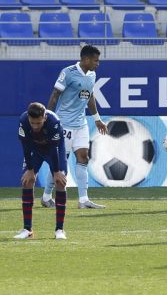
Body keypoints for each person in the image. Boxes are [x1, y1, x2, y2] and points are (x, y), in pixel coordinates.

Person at [42, 45, 108, 209]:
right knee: (60, 164)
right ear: (85, 59)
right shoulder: (68, 72)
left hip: (81, 123)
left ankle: (83, 200)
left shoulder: (92, 75)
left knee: (83, 158)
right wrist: (48, 117)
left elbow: (90, 96)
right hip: (64, 123)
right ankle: (46, 196)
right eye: (95, 60)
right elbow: (55, 94)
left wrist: (97, 119)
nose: (97, 64)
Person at [15, 102, 68, 240]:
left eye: (38, 123)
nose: (35, 126)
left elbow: (53, 148)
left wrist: (56, 172)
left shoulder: (54, 121)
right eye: (32, 123)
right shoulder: (23, 121)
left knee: (60, 183)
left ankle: (59, 230)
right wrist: (30, 170)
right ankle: (27, 229)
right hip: (35, 150)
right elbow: (25, 145)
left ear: (44, 117)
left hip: (54, 150)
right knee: (27, 181)